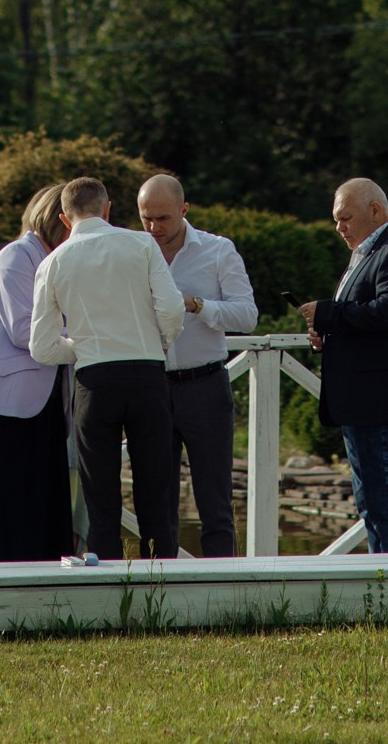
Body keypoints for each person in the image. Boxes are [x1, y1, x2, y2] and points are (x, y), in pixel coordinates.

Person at [27, 176, 185, 560]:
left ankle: (108, 585)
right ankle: (163, 581)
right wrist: (161, 341)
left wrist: (81, 349)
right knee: (156, 489)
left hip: (94, 381)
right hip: (147, 374)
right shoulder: (141, 243)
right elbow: (172, 307)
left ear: (65, 219)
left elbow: (41, 346)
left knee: (100, 495)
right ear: (108, 208)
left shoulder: (52, 262)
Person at [299, 178, 388, 555]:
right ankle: (387, 584)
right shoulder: (368, 253)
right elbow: (366, 320)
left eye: (346, 218)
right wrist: (326, 332)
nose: (339, 227)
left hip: (380, 399)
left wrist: (327, 313)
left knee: (386, 502)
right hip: (363, 399)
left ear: (375, 210)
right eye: (336, 220)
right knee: (373, 503)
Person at [137, 174, 257, 558]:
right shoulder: (133, 252)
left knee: (214, 500)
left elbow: (247, 315)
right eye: (146, 218)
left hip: (204, 385)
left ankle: (224, 597)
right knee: (156, 501)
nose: (154, 228)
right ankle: (157, 597)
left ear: (184, 210)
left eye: (163, 219)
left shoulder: (218, 251)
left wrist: (197, 305)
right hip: (151, 386)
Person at [0, 184, 74, 562]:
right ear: (59, 220)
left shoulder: (61, 261)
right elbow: (25, 330)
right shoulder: (15, 257)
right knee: (5, 508)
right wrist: (93, 340)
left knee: (43, 504)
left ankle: (44, 595)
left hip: (45, 403)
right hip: (3, 405)